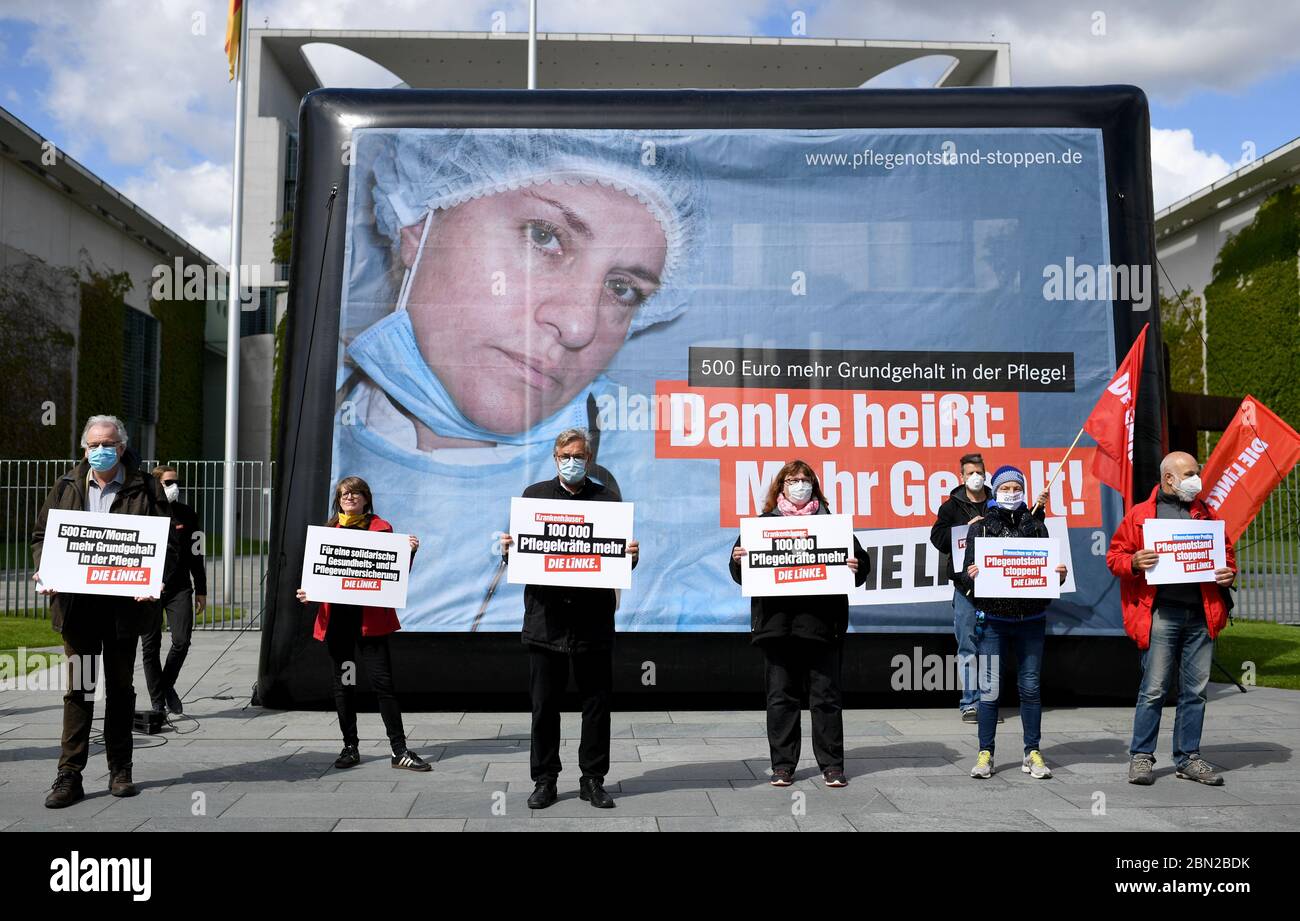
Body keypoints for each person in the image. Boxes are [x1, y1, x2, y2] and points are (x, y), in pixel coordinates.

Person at [333, 128, 702, 632]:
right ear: (418, 224)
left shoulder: (675, 487)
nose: (579, 326)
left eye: (622, 289)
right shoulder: (319, 441)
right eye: (544, 236)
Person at [32, 415, 169, 807]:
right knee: (79, 689)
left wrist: (153, 581)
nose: (100, 449)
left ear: (122, 448)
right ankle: (69, 775)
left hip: (125, 608)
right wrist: (47, 568)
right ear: (84, 448)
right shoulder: (66, 485)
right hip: (77, 608)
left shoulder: (146, 488)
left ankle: (120, 769)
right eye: (93, 444)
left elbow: (166, 546)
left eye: (107, 443)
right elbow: (43, 535)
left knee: (121, 690)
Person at [499, 428, 638, 810]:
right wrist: (509, 551)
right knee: (545, 706)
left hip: (593, 621)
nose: (572, 462)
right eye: (565, 456)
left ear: (588, 459)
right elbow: (523, 554)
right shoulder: (534, 497)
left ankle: (593, 779)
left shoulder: (607, 500)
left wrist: (631, 555)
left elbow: (619, 559)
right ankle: (545, 779)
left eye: (579, 456)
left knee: (596, 705)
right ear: (555, 458)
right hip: (546, 620)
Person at [729, 460, 869, 788]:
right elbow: (739, 573)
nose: (799, 485)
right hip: (777, 627)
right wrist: (738, 560)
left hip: (822, 625)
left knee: (826, 698)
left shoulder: (831, 525)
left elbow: (862, 568)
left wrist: (856, 563)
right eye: (792, 479)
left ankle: (832, 766)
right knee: (781, 698)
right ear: (781, 487)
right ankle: (782, 766)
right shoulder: (763, 525)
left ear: (814, 486)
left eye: (805, 479)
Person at [1106, 451, 1237, 786]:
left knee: (1196, 691)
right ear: (1169, 478)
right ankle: (1141, 757)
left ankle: (1188, 758)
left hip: (1201, 614)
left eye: (1196, 472)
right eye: (1190, 473)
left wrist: (1228, 574)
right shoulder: (1141, 515)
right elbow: (1114, 557)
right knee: (1154, 689)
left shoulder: (1205, 514)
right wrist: (1134, 561)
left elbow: (1227, 554)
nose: (1197, 479)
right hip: (1162, 614)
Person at [295, 476, 430, 772]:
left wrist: (409, 552)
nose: (350, 497)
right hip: (338, 625)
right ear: (338, 499)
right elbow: (319, 575)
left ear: (366, 499)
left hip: (371, 624)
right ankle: (350, 747)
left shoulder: (382, 529)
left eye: (356, 493)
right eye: (344, 493)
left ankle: (399, 750)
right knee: (345, 685)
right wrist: (309, 593)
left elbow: (393, 576)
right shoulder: (328, 532)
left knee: (384, 685)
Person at [953, 465, 1067, 780]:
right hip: (993, 620)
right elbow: (964, 574)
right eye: (1005, 489)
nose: (1011, 493)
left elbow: (1049, 574)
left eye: (1016, 488)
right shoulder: (981, 528)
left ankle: (1032, 752)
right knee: (989, 689)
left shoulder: (1036, 526)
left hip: (1031, 620)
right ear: (996, 491)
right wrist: (971, 575)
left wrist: (1059, 574)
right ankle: (985, 753)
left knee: (1030, 687)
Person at [929, 452, 991, 722]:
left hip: (995, 587)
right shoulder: (951, 507)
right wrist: (967, 529)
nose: (975, 477)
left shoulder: (997, 501)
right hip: (965, 587)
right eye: (970, 473)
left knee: (991, 646)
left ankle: (989, 704)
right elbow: (938, 539)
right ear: (962, 477)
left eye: (979, 472)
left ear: (985, 474)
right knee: (967, 645)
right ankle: (970, 703)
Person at [140, 465, 207, 715]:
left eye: (176, 482)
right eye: (168, 482)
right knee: (150, 645)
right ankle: (157, 703)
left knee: (181, 640)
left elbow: (197, 554)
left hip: (180, 587)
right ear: (156, 484)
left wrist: (201, 588)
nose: (173, 487)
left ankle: (166, 686)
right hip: (149, 587)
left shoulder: (188, 514)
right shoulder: (144, 512)